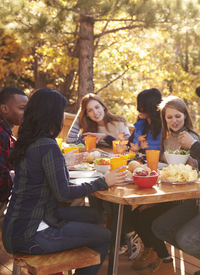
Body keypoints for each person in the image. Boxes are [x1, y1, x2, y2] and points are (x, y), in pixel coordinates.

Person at [2, 88, 126, 275]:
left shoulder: (28, 140)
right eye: (61, 112)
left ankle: (69, 253)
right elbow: (63, 193)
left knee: (92, 215)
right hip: (32, 234)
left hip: (16, 225)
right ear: (52, 114)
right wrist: (103, 182)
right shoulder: (47, 145)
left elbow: (39, 176)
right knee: (104, 236)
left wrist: (62, 163)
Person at [152, 84, 200, 275]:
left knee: (186, 238)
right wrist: (192, 162)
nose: (199, 111)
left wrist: (194, 146)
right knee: (159, 227)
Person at [130, 96, 199, 275]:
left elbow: (197, 170)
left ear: (185, 115)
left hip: (184, 198)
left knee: (146, 218)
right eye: (169, 117)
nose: (174, 121)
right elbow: (167, 169)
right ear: (164, 119)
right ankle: (152, 251)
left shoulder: (191, 138)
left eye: (178, 116)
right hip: (168, 191)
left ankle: (166, 260)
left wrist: (192, 160)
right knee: (136, 213)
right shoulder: (168, 139)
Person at [0, 87, 28, 225]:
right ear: (4, 108)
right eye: (22, 108)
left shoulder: (8, 134)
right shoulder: (1, 135)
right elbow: (1, 178)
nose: (26, 113)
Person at [129, 88, 163, 153]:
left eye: (143, 105)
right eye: (138, 104)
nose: (138, 109)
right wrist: (107, 137)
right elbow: (126, 146)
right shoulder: (139, 126)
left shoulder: (163, 129)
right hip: (136, 162)